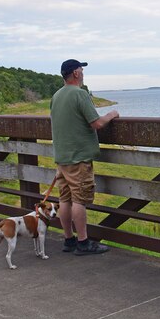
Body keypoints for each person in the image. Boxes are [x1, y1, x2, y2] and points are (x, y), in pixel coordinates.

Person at [50, 58, 119, 255]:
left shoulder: (56, 96)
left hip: (62, 157)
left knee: (65, 199)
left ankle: (69, 240)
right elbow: (96, 123)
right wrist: (112, 114)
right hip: (78, 158)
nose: (83, 72)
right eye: (81, 69)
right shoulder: (80, 94)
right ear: (76, 73)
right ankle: (83, 243)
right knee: (79, 200)